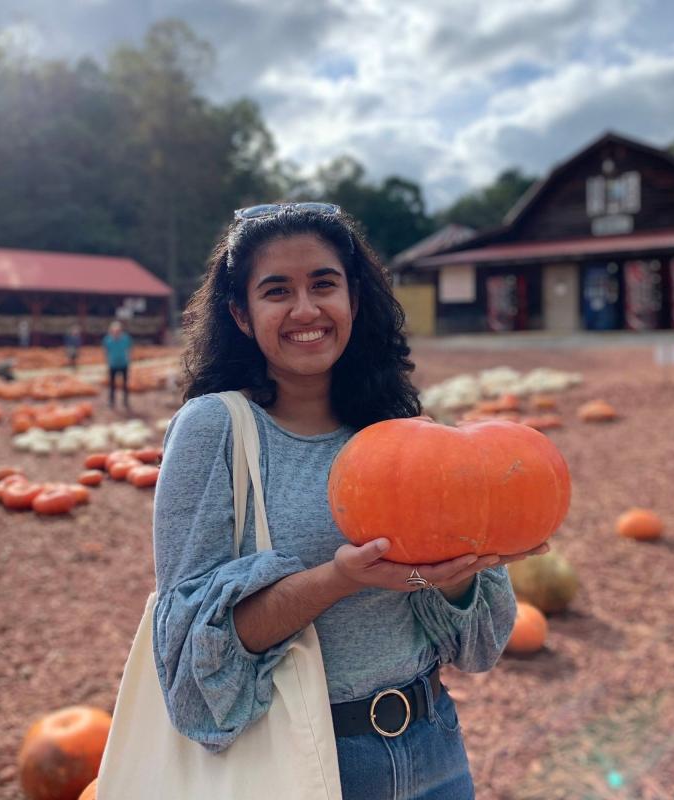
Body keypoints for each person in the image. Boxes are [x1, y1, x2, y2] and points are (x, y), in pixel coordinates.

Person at [152, 202, 549, 800]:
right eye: (277, 290)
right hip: (298, 761)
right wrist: (338, 579)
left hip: (432, 744)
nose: (305, 310)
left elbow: (480, 646)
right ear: (240, 313)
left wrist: (457, 575)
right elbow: (188, 659)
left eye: (323, 284)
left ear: (354, 301)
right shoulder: (216, 430)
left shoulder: (400, 430)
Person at [103, 320, 132, 409]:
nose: (116, 332)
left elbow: (129, 350)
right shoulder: (108, 340)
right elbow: (106, 351)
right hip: (113, 364)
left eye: (118, 331)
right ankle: (112, 402)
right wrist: (107, 361)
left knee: (125, 384)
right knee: (112, 385)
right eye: (114, 331)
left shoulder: (126, 339)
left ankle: (125, 401)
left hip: (124, 364)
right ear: (111, 331)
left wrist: (129, 359)